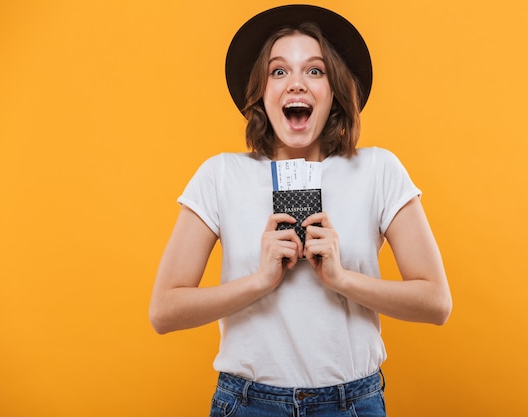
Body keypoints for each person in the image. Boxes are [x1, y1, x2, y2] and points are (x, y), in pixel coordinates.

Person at [149, 4, 452, 416]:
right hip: (249, 404)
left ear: (334, 91)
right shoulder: (220, 175)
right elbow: (164, 311)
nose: (296, 84)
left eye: (314, 71)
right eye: (279, 71)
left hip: (353, 403)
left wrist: (341, 279)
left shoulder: (378, 169)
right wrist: (260, 281)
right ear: (260, 91)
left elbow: (436, 302)